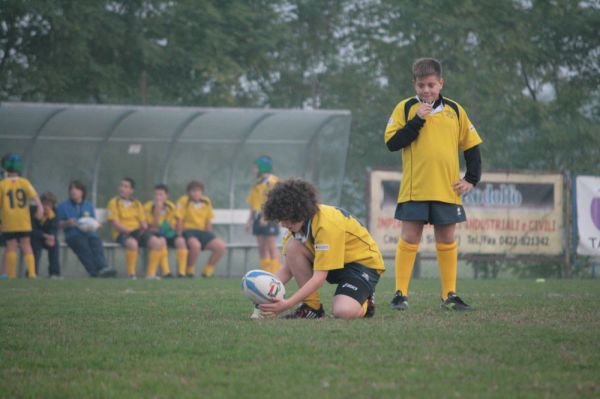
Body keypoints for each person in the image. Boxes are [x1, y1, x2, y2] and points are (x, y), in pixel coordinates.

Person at [384, 57, 483, 311]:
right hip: (414, 189)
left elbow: (471, 146)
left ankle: (449, 294)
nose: (426, 90)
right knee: (409, 237)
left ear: (441, 83)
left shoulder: (455, 110)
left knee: (447, 238)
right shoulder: (405, 108)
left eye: (430, 84)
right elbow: (393, 143)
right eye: (420, 85)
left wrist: (471, 178)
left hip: (447, 188)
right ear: (414, 85)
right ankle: (400, 294)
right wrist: (416, 120)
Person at [258, 178, 386, 320]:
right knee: (292, 246)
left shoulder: (327, 225)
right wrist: (262, 290)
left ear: (298, 211)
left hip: (362, 265)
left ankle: (366, 301)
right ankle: (312, 308)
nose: (282, 224)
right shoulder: (296, 227)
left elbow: (319, 277)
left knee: (343, 312)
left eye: (285, 218)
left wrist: (287, 304)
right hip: (335, 263)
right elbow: (287, 270)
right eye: (280, 218)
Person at [107, 178, 165, 279]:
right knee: (132, 243)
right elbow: (115, 223)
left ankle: (151, 275)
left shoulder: (137, 203)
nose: (122, 188)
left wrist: (143, 227)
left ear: (131, 190)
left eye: (126, 186)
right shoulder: (113, 202)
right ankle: (131, 274)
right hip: (121, 232)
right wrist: (127, 231)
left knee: (157, 242)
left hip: (137, 231)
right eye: (121, 186)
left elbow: (143, 222)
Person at [57, 180, 116, 277]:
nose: (73, 191)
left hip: (89, 234)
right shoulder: (63, 206)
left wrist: (95, 225)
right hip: (73, 235)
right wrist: (67, 223)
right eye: (71, 189)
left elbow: (93, 221)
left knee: (96, 243)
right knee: (83, 246)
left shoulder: (88, 205)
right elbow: (57, 224)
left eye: (76, 188)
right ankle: (94, 272)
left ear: (82, 192)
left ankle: (103, 267)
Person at [0, 153, 43, 279]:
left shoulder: (2, 184)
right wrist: (40, 207)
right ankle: (32, 273)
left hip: (9, 220)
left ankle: (11, 275)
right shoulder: (24, 182)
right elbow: (35, 197)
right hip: (23, 220)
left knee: (11, 245)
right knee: (26, 245)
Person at [175, 181, 226, 278]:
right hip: (189, 231)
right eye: (193, 191)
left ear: (202, 192)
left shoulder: (206, 201)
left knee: (221, 247)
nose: (196, 193)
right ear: (189, 192)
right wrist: (179, 234)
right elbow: (179, 219)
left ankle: (207, 271)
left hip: (202, 232)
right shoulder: (184, 200)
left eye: (198, 191)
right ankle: (189, 269)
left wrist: (210, 236)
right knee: (196, 245)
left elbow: (208, 220)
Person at [245, 156, 281, 274]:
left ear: (263, 167)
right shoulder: (257, 184)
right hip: (258, 216)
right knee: (262, 246)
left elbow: (272, 201)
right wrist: (249, 220)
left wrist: (265, 217)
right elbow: (253, 203)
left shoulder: (273, 182)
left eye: (256, 167)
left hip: (270, 216)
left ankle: (275, 272)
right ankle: (266, 272)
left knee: (271, 245)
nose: (254, 170)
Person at [143, 184, 185, 278]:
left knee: (181, 241)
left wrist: (163, 226)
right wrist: (157, 209)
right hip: (154, 233)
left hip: (167, 231)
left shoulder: (171, 206)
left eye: (161, 195)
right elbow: (152, 226)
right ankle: (166, 272)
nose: (158, 197)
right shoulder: (148, 206)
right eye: (156, 194)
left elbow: (172, 225)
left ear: (166, 196)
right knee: (162, 240)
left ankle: (182, 273)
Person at [30, 191, 61, 278]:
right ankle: (33, 272)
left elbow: (55, 227)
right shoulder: (33, 210)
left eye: (50, 205)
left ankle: (54, 273)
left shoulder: (54, 212)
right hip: (35, 237)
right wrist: (45, 235)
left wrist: (52, 237)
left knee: (55, 245)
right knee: (36, 246)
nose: (47, 207)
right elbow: (31, 230)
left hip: (47, 238)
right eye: (44, 204)